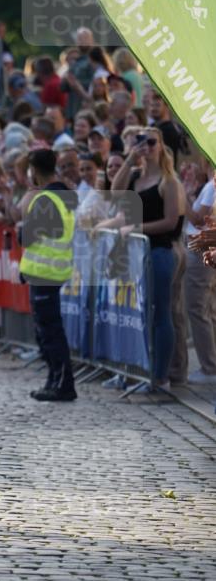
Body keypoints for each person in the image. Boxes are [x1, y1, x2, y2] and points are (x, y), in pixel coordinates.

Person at [110, 130, 185, 388]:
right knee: (140, 313)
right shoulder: (135, 176)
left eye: (152, 141)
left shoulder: (169, 182)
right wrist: (130, 160)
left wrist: (137, 228)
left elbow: (171, 221)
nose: (147, 147)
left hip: (160, 252)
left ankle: (160, 376)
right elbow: (115, 191)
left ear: (161, 146)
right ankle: (145, 372)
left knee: (161, 312)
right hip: (136, 254)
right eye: (142, 142)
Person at [20, 148, 78, 401]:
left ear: (34, 171)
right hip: (52, 270)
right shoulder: (61, 194)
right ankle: (55, 380)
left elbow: (27, 236)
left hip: (45, 272)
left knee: (51, 332)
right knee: (48, 331)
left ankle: (63, 383)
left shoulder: (45, 199)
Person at [182, 166, 216, 382]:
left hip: (201, 247)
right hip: (202, 246)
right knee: (208, 309)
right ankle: (210, 364)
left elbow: (198, 220)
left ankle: (209, 367)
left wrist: (180, 196)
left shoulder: (213, 186)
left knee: (197, 308)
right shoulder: (210, 185)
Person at [60, 28, 95, 122]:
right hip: (72, 110)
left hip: (87, 110)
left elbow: (96, 83)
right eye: (80, 38)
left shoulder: (94, 60)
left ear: (92, 40)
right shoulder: (75, 62)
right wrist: (66, 80)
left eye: (85, 38)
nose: (82, 41)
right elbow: (62, 88)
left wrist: (77, 84)